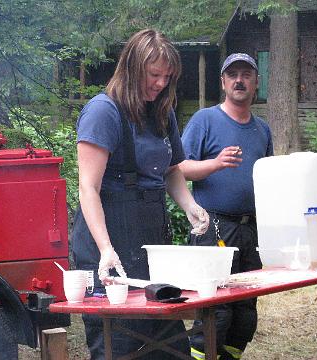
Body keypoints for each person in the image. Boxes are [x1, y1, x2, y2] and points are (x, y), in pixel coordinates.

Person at [72, 28, 209, 359]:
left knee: (170, 349)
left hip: (151, 249)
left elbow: (173, 170)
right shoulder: (103, 111)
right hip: (108, 251)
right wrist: (106, 249)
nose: (161, 83)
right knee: (117, 347)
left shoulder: (162, 111)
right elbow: (87, 188)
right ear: (132, 67)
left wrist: (190, 205)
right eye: (154, 74)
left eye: (167, 76)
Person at [179, 53, 274, 359]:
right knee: (217, 312)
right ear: (223, 83)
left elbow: (269, 178)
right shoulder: (205, 120)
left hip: (251, 230)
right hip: (214, 228)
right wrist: (216, 164)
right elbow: (179, 168)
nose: (239, 80)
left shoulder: (263, 129)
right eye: (232, 75)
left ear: (256, 82)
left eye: (246, 74)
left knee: (245, 312)